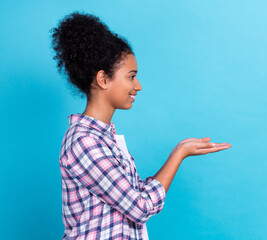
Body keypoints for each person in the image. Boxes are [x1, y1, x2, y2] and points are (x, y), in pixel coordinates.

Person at [50, 10, 232, 240]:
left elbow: (136, 195)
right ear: (103, 79)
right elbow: (141, 207)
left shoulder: (104, 138)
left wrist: (181, 150)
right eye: (131, 76)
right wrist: (179, 153)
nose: (138, 86)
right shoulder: (84, 142)